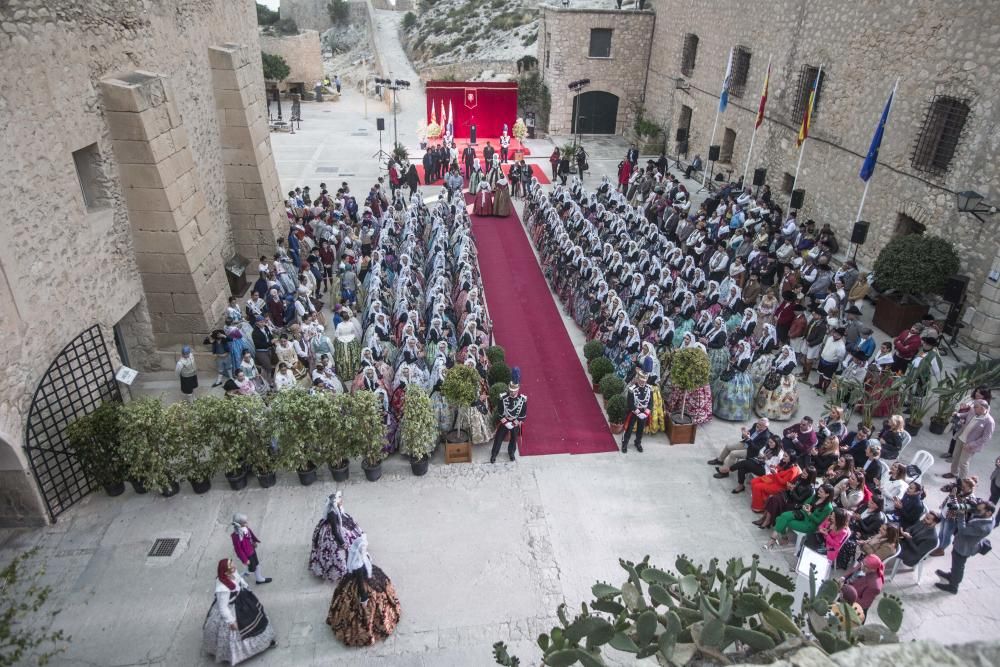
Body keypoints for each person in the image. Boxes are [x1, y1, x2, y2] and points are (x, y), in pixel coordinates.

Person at [326, 535, 401, 646]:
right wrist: (364, 597)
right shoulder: (358, 565)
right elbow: (361, 585)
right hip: (363, 586)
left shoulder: (361, 556)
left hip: (366, 579)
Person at [202, 559, 276, 664]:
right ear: (226, 572)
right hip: (232, 608)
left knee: (257, 619)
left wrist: (246, 587)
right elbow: (223, 608)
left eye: (233, 564)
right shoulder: (222, 589)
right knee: (237, 632)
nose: (235, 567)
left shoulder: (232, 573)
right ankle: (234, 655)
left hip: (243, 599)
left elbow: (239, 579)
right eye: (232, 567)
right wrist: (231, 621)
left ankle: (266, 641)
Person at [935, 500, 996, 594]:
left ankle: (953, 586)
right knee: (956, 564)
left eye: (979, 511)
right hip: (961, 543)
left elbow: (963, 530)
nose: (976, 511)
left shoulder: (983, 528)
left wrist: (961, 514)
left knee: (959, 566)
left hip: (964, 548)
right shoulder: (988, 517)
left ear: (988, 513)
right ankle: (952, 575)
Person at [310, 491, 366, 584]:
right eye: (340, 499)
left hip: (340, 526)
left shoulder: (337, 508)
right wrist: (342, 543)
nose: (341, 500)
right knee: (338, 552)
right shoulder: (332, 513)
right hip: (334, 533)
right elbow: (335, 532)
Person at [766, 483, 835, 548]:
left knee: (779, 519)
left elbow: (818, 521)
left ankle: (775, 539)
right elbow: (805, 503)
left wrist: (809, 513)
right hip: (802, 514)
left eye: (821, 491)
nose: (818, 491)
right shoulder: (816, 496)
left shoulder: (828, 507)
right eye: (819, 489)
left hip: (809, 524)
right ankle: (779, 538)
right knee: (782, 516)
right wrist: (806, 506)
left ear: (827, 494)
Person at [944, 399, 995, 480]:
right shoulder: (973, 411)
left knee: (963, 463)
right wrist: (958, 414)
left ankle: (961, 481)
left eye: (975, 407)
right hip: (961, 438)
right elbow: (966, 414)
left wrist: (971, 445)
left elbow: (986, 438)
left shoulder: (989, 422)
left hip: (970, 445)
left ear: (982, 408)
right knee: (955, 457)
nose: (973, 408)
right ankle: (953, 473)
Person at [491, 368, 527, 462]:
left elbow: (523, 414)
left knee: (514, 439)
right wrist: (506, 422)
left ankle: (511, 453)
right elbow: (499, 412)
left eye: (513, 391)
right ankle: (494, 454)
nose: (511, 392)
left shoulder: (522, 400)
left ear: (517, 390)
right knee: (498, 438)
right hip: (505, 421)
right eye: (510, 390)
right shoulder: (503, 398)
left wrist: (515, 422)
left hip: (515, 422)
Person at [231, 513, 272, 585]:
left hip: (251, 550)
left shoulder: (246, 528)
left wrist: (253, 542)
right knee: (253, 567)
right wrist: (245, 559)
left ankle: (255, 576)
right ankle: (239, 580)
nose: (247, 523)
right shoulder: (237, 536)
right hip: (247, 554)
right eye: (245, 522)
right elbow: (238, 550)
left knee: (255, 564)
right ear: (240, 524)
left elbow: (250, 537)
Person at [621, 369, 652, 454]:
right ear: (638, 379)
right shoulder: (632, 389)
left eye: (644, 381)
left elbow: (650, 402)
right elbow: (630, 403)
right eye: (641, 380)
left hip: (644, 412)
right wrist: (638, 412)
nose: (643, 382)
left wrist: (646, 413)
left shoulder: (649, 389)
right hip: (634, 412)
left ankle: (638, 442)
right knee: (629, 428)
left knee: (640, 429)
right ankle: (625, 443)